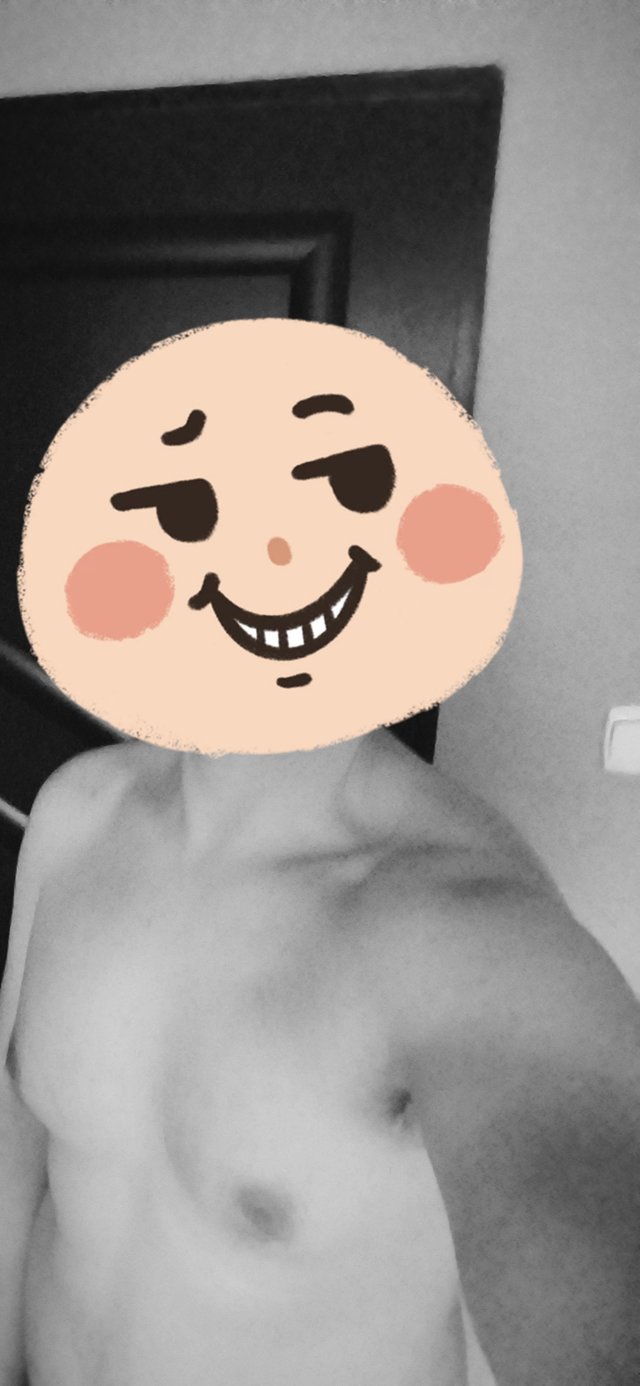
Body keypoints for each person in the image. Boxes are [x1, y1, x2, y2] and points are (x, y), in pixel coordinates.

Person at [2, 319, 639, 1385]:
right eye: (188, 507)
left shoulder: (468, 940)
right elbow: (20, 1143)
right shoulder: (76, 815)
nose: (263, 555)